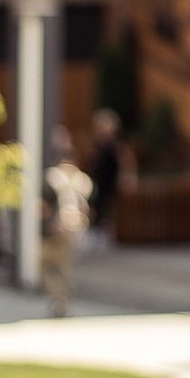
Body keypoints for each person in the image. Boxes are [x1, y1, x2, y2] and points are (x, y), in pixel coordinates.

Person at [38, 126, 92, 318]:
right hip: (74, 224)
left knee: (44, 264)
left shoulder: (53, 178)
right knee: (63, 265)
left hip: (56, 225)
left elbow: (44, 205)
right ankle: (63, 297)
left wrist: (44, 224)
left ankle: (59, 298)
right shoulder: (82, 180)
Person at [83, 108, 125, 251]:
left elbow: (123, 164)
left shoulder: (115, 147)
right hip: (98, 182)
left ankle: (107, 235)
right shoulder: (97, 146)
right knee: (96, 207)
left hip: (109, 183)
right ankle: (98, 233)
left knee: (107, 209)